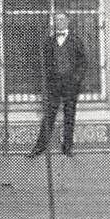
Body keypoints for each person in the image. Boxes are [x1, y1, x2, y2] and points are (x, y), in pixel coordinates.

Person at [28, 12, 88, 158]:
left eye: (62, 19)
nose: (59, 22)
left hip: (70, 84)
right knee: (49, 115)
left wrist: (76, 79)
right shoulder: (49, 41)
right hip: (53, 85)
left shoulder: (76, 40)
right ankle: (40, 147)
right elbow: (43, 64)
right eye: (56, 20)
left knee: (69, 115)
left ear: (67, 21)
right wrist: (47, 81)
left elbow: (83, 62)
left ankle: (67, 148)